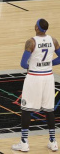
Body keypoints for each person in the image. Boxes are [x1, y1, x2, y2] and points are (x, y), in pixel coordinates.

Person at [12, 18, 60, 152]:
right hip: (48, 78)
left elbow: (23, 64)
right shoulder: (53, 40)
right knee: (49, 109)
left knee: (27, 109)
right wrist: (50, 64)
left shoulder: (31, 42)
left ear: (37, 28)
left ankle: (24, 143)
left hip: (34, 77)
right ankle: (53, 141)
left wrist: (33, 66)